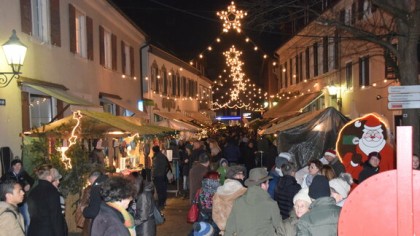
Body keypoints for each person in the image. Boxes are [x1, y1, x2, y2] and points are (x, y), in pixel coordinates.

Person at [225, 167, 283, 236]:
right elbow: (281, 230)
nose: (268, 186)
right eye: (267, 183)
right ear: (263, 185)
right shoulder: (271, 204)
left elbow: (229, 230)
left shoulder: (238, 202)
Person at [27, 164, 67, 236]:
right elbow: (56, 218)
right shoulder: (52, 192)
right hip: (48, 232)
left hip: (33, 231)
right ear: (49, 177)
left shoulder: (33, 192)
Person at [0, 159, 34, 231]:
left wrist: (28, 185)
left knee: (26, 220)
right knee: (13, 219)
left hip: (22, 201)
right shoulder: (7, 175)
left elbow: (31, 180)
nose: (17, 167)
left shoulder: (23, 173)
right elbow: (1, 184)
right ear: (13, 166)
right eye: (16, 165)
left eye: (19, 165)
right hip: (11, 201)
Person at [212, 167, 247, 235]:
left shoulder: (217, 194)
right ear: (237, 176)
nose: (244, 177)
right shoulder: (243, 193)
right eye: (242, 174)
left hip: (224, 232)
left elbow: (215, 216)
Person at [131, 171, 156, 236]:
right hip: (144, 225)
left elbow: (143, 216)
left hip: (145, 228)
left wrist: (131, 223)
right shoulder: (141, 191)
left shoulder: (143, 195)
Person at [152, 145, 169, 210]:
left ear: (154, 151)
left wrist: (153, 175)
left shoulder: (157, 157)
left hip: (158, 175)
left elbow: (155, 168)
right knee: (163, 189)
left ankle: (161, 203)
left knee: (159, 190)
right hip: (162, 175)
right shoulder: (162, 156)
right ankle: (163, 202)